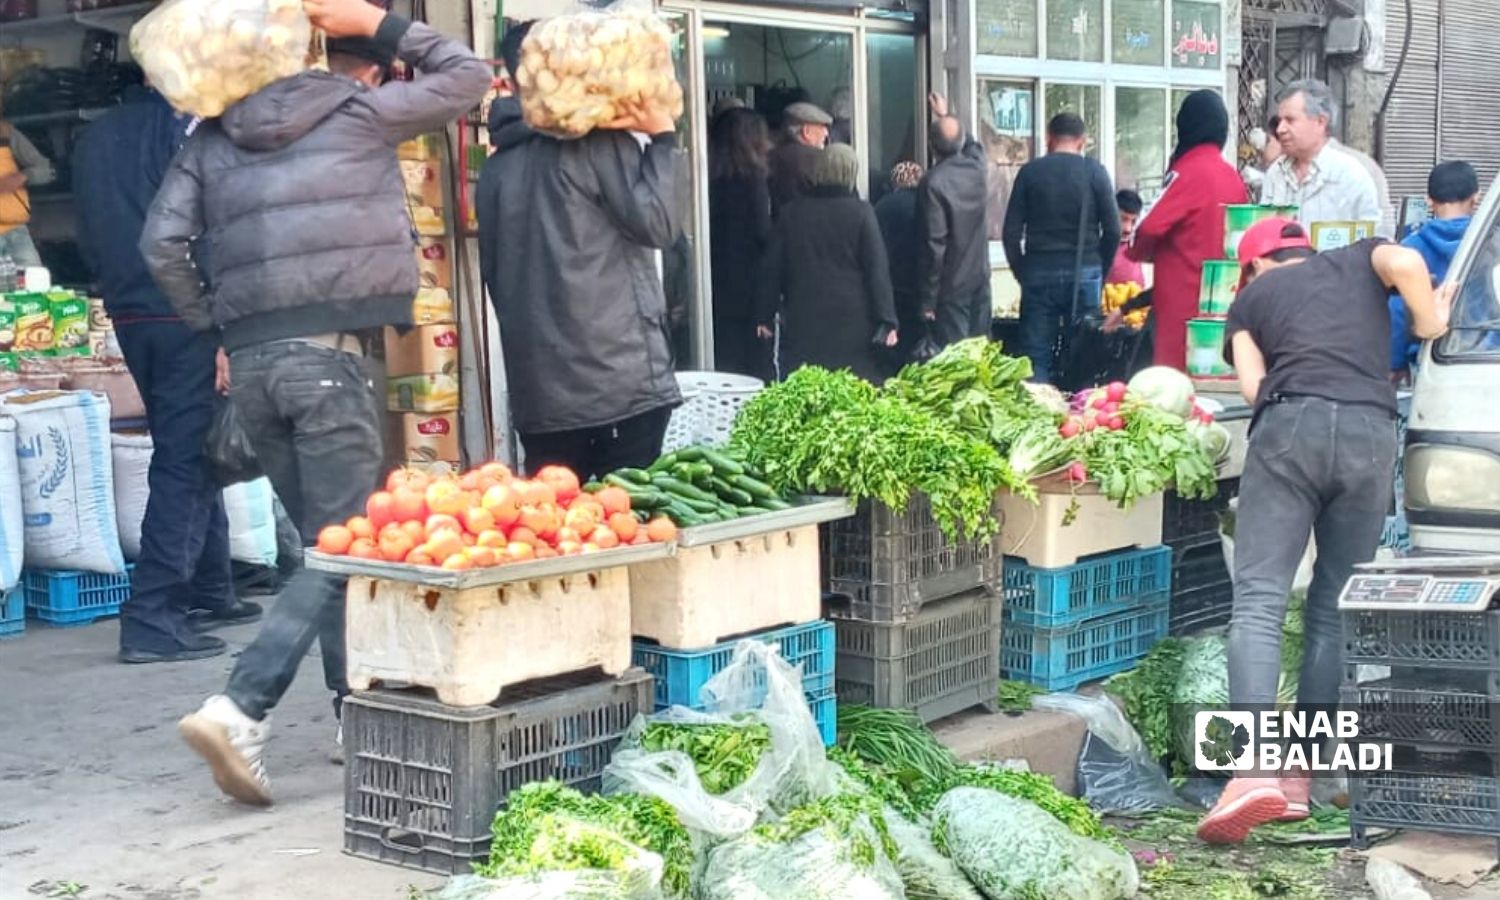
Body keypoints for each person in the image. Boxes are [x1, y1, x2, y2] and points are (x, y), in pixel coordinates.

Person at [143, 0, 491, 806]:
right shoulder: (360, 112)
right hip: (331, 361)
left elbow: (159, 246)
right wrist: (380, 21)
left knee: (325, 552)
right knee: (343, 553)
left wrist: (218, 324)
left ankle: (353, 718)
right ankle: (241, 706)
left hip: (259, 363)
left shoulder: (209, 141)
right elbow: (470, 76)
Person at [1196, 218, 1451, 845]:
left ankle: (1252, 770)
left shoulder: (1249, 302)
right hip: (1368, 431)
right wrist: (1429, 324)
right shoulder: (1358, 257)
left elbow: (1256, 390)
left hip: (1290, 427)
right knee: (1332, 610)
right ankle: (1300, 777)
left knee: (1258, 602)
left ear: (1253, 265)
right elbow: (1411, 267)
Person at [73, 84, 263, 665]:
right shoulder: (188, 131)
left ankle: (211, 587)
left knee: (189, 446)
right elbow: (208, 232)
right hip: (183, 309)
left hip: (130, 309)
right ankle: (153, 618)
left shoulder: (97, 137)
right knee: (185, 461)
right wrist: (224, 327)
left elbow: (87, 230)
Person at [479, 21, 684, 481]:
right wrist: (664, 139)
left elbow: (497, 279)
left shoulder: (495, 169)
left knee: (562, 532)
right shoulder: (598, 147)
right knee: (629, 526)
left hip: (540, 397)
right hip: (618, 387)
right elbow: (662, 224)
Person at [1119, 90, 1249, 370]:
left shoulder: (1187, 172)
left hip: (1180, 304)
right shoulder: (1233, 177)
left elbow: (1147, 228)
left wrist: (1144, 253)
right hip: (1219, 304)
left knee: (1169, 389)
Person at [757, 144, 898, 383]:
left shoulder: (791, 213)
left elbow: (772, 269)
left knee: (807, 387)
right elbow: (877, 270)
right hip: (853, 319)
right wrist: (887, 320)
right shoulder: (862, 213)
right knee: (850, 388)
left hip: (804, 315)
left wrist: (764, 314)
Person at [1002, 112, 1120, 385]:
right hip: (1085, 270)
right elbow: (1113, 230)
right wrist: (1099, 269)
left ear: (1048, 139)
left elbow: (1010, 234)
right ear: (1082, 141)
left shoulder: (1030, 173)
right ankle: (1082, 416)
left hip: (1039, 271)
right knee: (1085, 352)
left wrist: (1023, 272)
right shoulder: (1095, 172)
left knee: (1036, 355)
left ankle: (1040, 412)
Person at [1389, 161, 1479, 383]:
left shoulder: (1409, 249)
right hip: (1485, 361)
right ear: (1476, 197)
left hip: (1430, 366)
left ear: (1429, 200)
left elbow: (1398, 311)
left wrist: (1395, 363)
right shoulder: (1489, 245)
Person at [919, 94, 992, 345]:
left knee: (957, 362)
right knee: (983, 357)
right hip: (980, 278)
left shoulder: (933, 182)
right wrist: (944, 113)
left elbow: (934, 245)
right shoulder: (978, 168)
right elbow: (972, 144)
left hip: (951, 286)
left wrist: (928, 299)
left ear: (931, 146)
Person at [1262, 79, 1382, 230]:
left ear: (1320, 122)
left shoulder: (1350, 176)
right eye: (1280, 121)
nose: (1280, 129)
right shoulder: (1276, 173)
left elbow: (1373, 241)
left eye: (1290, 120)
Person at [708, 107, 773, 380]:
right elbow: (762, 233)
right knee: (754, 365)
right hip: (749, 284)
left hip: (716, 280)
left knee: (725, 359)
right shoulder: (754, 182)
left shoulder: (711, 181)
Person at [874, 160, 925, 362]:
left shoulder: (881, 207)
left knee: (896, 343)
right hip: (918, 282)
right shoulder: (926, 205)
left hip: (891, 284)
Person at [0, 109, 55, 271]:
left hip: (16, 233)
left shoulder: (6, 134)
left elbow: (46, 169)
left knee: (35, 288)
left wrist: (22, 176)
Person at [768, 101, 830, 216]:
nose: (826, 133)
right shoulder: (819, 159)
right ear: (806, 132)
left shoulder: (768, 157)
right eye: (822, 127)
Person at [1106, 189, 1145, 287]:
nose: (1128, 228)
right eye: (1123, 219)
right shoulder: (1100, 245)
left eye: (1133, 221)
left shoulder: (1137, 242)